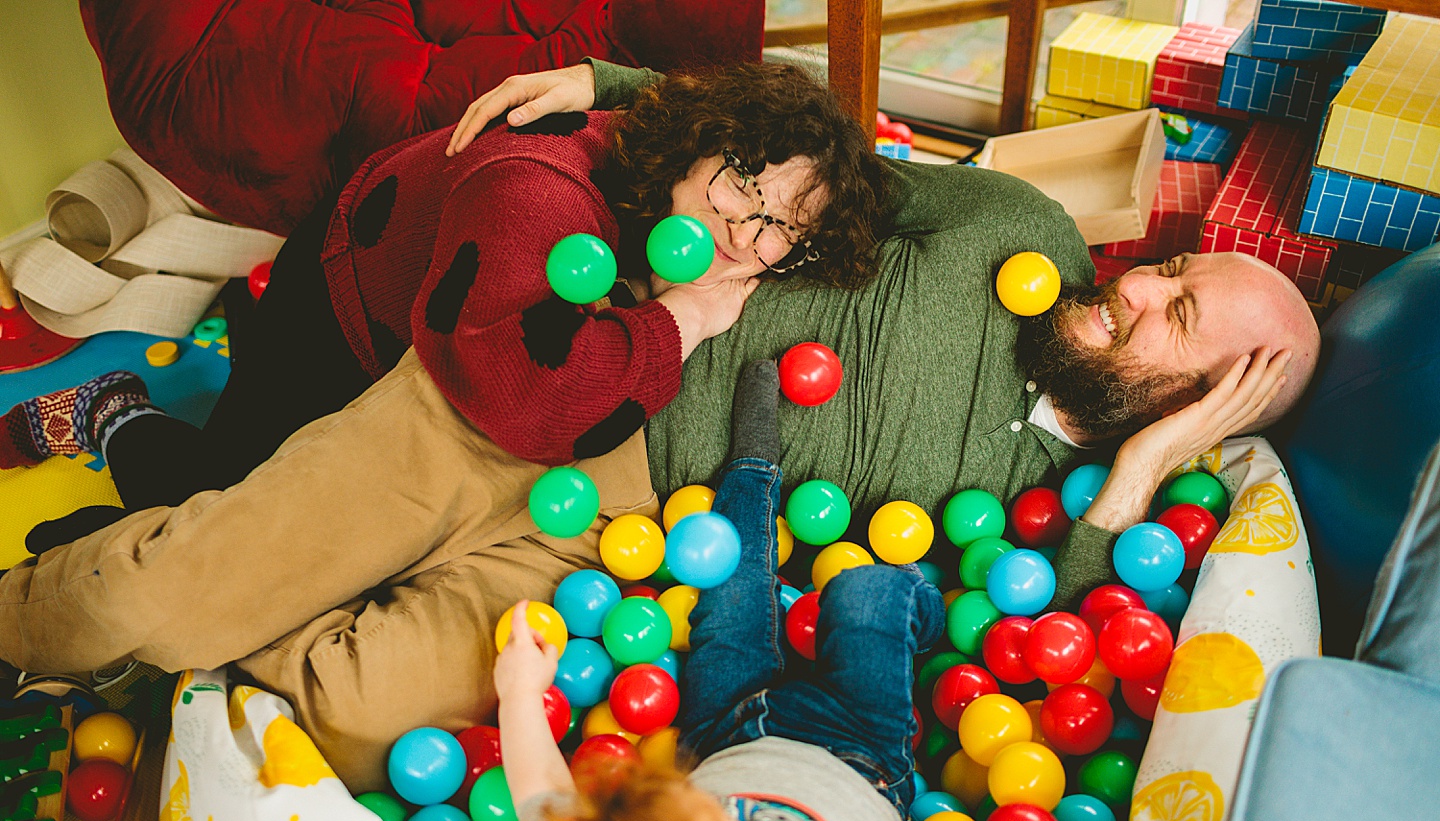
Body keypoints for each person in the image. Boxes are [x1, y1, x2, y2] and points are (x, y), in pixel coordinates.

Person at [0, 63, 884, 790]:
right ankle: (113, 408)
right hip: (354, 317)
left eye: (779, 231)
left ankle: (155, 585)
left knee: (280, 589)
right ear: (700, 142)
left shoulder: (717, 220)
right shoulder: (540, 185)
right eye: (740, 186)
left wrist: (612, 84)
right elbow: (522, 397)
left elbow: (915, 194)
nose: (741, 230)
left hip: (519, 395)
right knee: (207, 508)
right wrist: (684, 318)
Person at [456, 61, 1318, 606]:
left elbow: (1051, 644)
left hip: (619, 514)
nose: (1132, 283)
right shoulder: (1023, 232)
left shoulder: (1087, 515)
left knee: (355, 701)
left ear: (1207, 404)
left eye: (1180, 315)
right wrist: (610, 85)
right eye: (1172, 271)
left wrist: (1143, 464)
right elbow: (816, 162)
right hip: (577, 332)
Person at [491, 362, 1169, 821]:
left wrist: (521, 695)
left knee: (727, 583)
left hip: (722, 732)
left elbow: (545, 807)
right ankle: (924, 617)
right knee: (866, 593)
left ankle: (751, 461)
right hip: (859, 756)